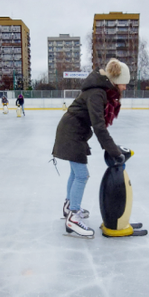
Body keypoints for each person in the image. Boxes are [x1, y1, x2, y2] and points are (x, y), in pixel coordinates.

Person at [52, 58, 130, 237]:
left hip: (72, 132)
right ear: (116, 81)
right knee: (81, 175)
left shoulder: (99, 91)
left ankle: (69, 207)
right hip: (72, 134)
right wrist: (114, 152)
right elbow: (99, 127)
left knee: (75, 173)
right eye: (124, 84)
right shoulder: (97, 94)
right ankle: (73, 217)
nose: (125, 88)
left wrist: (112, 148)